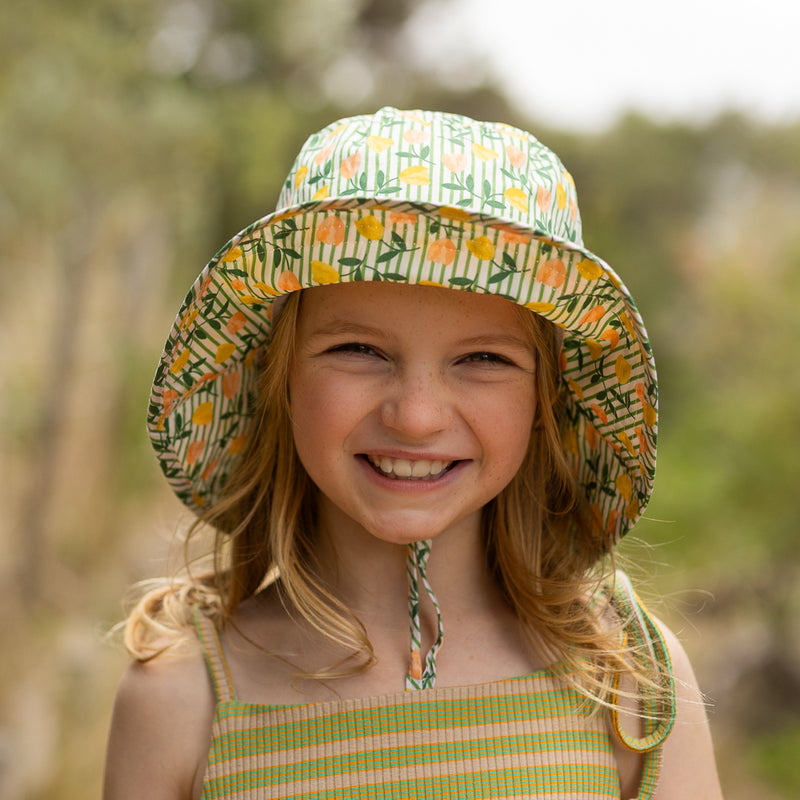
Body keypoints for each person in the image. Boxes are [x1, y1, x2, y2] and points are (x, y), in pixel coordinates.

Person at [103, 107, 722, 799]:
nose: (417, 416)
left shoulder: (628, 684)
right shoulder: (184, 699)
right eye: (358, 350)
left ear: (546, 403)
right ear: (277, 378)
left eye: (483, 358)